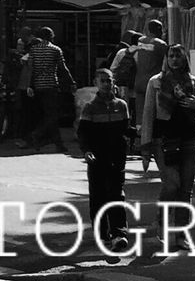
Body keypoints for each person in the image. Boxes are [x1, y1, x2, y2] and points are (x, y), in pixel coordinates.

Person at [139, 43, 195, 248]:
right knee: (172, 185)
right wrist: (145, 147)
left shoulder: (194, 82)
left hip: (190, 140)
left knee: (185, 190)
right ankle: (161, 222)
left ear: (185, 59)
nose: (174, 60)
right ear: (166, 58)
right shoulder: (157, 82)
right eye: (171, 56)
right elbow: (148, 115)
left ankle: (181, 234)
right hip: (164, 142)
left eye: (178, 56)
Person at [77, 67, 133, 252]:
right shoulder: (90, 108)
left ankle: (119, 234)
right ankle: (102, 234)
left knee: (116, 195)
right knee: (99, 196)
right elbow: (83, 133)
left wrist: (141, 134)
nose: (107, 84)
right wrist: (86, 151)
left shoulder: (121, 105)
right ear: (96, 83)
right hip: (97, 158)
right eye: (103, 81)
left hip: (117, 157)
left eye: (109, 80)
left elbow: (126, 129)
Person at [20, 26, 75, 153]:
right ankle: (37, 134)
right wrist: (71, 82)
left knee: (48, 114)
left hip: (38, 86)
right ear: (51, 37)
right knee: (53, 115)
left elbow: (31, 69)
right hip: (51, 86)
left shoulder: (34, 50)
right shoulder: (55, 49)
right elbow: (63, 68)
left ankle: (58, 144)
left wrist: (31, 85)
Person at [132, 21, 167, 172]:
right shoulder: (160, 44)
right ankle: (152, 147)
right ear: (158, 30)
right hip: (152, 84)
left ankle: (141, 147)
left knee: (141, 116)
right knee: (153, 116)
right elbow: (167, 63)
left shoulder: (140, 42)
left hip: (139, 81)